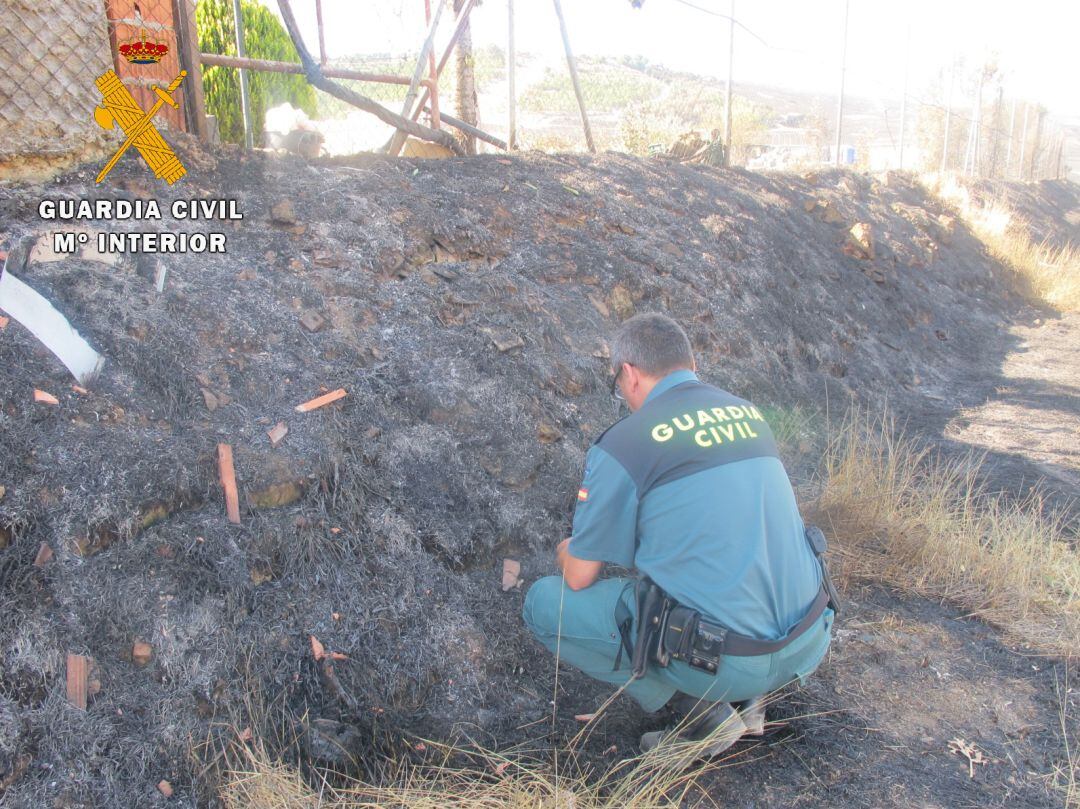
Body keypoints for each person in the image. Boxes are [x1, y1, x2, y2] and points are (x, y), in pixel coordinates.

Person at [523, 312, 835, 756]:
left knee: (543, 603)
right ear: (692, 363)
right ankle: (750, 703)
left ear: (629, 374)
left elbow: (579, 577)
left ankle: (703, 716)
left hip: (733, 659)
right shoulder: (747, 414)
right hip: (806, 639)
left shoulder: (625, 443)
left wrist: (567, 549)